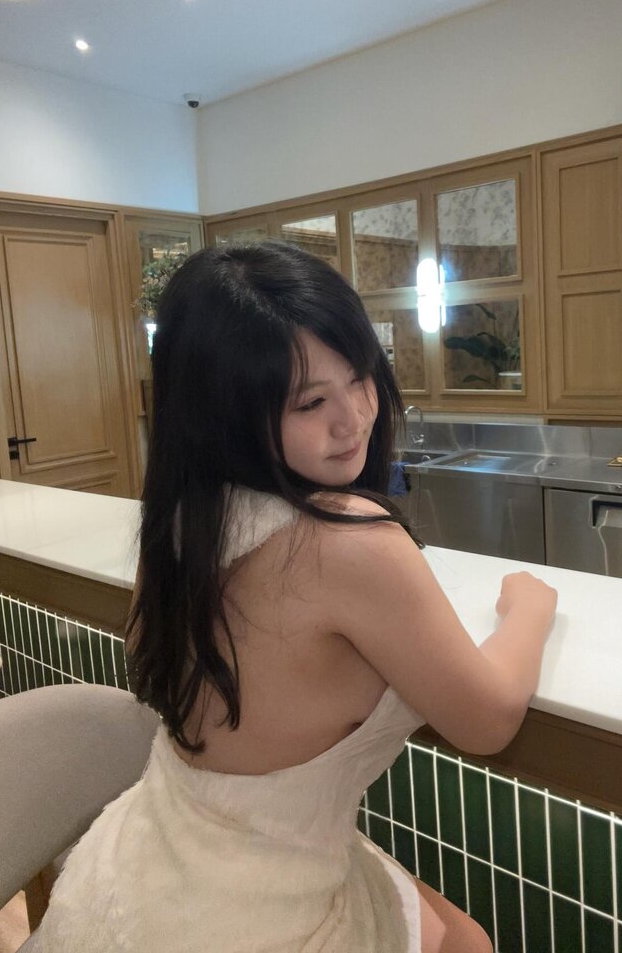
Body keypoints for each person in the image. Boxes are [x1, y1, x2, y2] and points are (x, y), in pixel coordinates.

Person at [31, 242, 557, 953]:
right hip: (251, 918)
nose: (354, 417)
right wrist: (529, 607)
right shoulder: (348, 541)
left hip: (140, 869)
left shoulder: (183, 523)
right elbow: (488, 719)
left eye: (360, 376)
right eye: (311, 402)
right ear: (225, 414)